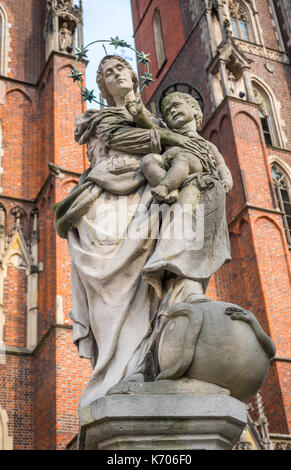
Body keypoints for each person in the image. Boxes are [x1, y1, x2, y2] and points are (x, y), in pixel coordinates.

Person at [55, 55, 232, 406]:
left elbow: (184, 155)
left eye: (120, 68)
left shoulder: (153, 119)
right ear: (102, 87)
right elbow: (130, 141)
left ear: (134, 76)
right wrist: (177, 143)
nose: (114, 74)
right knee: (111, 294)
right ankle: (112, 373)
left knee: (150, 288)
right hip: (106, 204)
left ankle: (149, 364)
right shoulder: (101, 118)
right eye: (106, 73)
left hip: (148, 200)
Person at [126, 92, 232, 207]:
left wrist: (226, 180)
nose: (172, 111)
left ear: (194, 109)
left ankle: (165, 187)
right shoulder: (170, 134)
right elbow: (153, 128)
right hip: (168, 162)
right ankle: (172, 190)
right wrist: (139, 115)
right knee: (147, 161)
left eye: (176, 105)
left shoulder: (207, 144)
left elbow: (221, 164)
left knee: (182, 159)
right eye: (167, 112)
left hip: (195, 163)